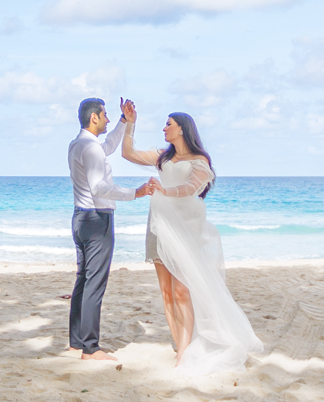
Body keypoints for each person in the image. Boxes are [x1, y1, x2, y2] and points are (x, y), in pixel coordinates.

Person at [120, 108, 263, 378]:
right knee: (165, 291)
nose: (164, 128)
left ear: (182, 128)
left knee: (182, 291)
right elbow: (128, 153)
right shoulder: (163, 157)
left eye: (168, 124)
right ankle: (181, 348)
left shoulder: (199, 160)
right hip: (159, 225)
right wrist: (130, 124)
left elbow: (190, 189)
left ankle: (186, 351)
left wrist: (165, 190)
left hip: (185, 228)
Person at [65, 96, 141, 360]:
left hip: (80, 218)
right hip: (97, 219)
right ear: (94, 117)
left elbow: (107, 147)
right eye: (106, 115)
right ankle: (90, 348)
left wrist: (123, 121)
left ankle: (76, 343)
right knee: (94, 283)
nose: (108, 118)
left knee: (83, 280)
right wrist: (137, 192)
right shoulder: (91, 147)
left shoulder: (79, 143)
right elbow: (99, 188)